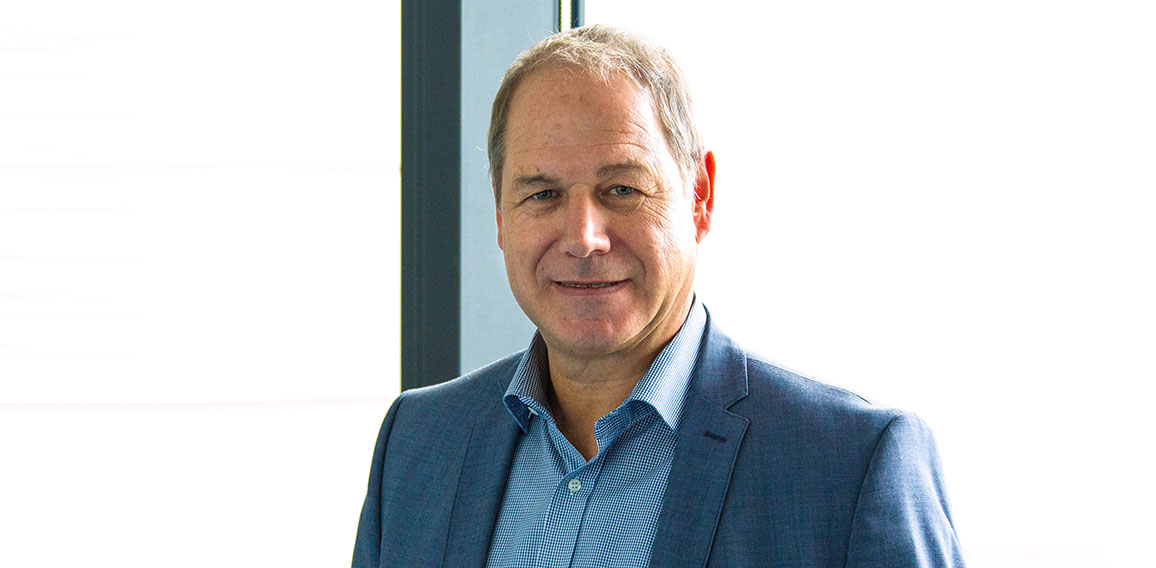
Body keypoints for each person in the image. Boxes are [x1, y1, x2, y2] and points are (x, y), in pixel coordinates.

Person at [353, 24, 964, 567]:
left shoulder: (850, 466)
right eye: (542, 195)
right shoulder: (417, 443)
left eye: (622, 189)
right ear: (499, 218)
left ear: (700, 197)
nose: (583, 237)